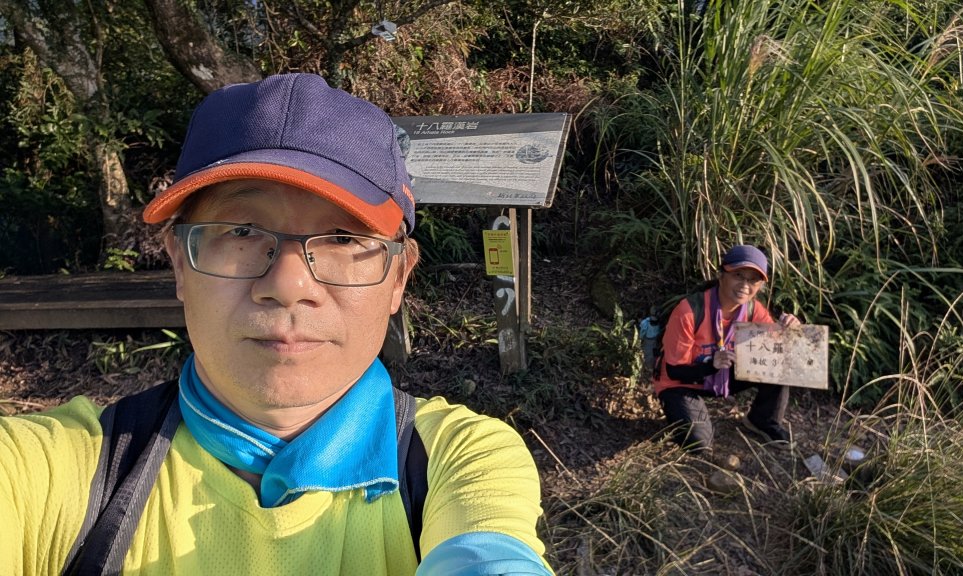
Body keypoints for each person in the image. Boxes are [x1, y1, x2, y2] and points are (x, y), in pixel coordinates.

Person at [0, 74, 552, 575]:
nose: (289, 284)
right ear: (178, 263)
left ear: (398, 278)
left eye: (342, 238)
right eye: (241, 230)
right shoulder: (55, 470)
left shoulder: (455, 459)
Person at [651, 244, 801, 452]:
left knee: (778, 365)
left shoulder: (753, 310)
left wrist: (790, 332)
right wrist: (711, 366)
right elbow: (675, 370)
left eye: (753, 280)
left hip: (720, 373)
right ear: (722, 274)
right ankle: (683, 414)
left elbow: (776, 354)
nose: (745, 285)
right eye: (738, 275)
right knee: (699, 444)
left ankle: (762, 420)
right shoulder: (689, 311)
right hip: (680, 382)